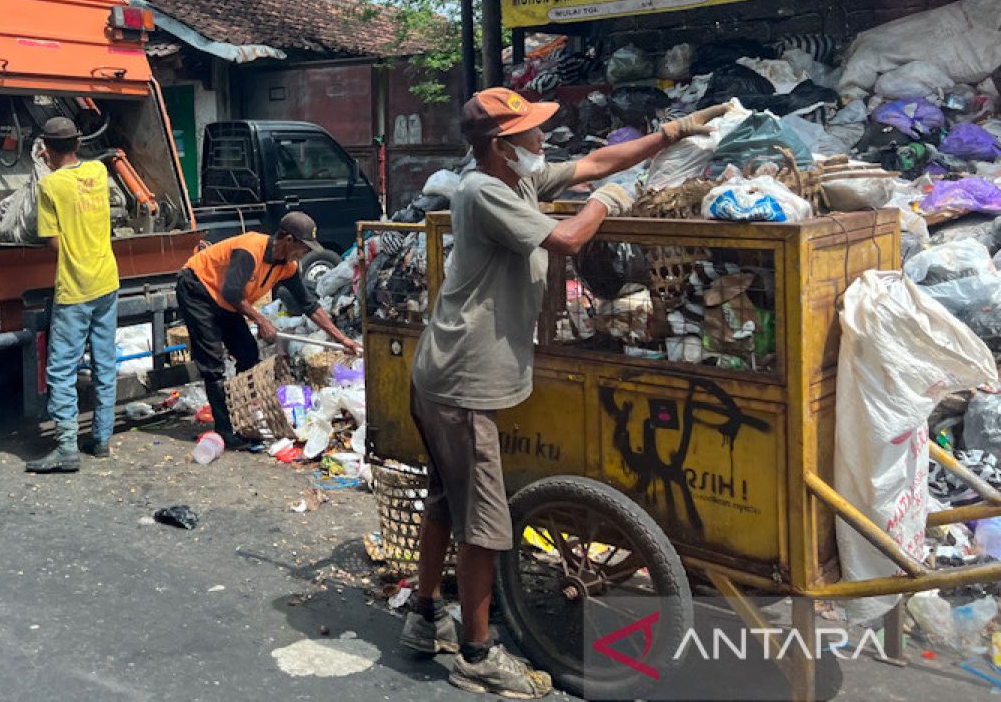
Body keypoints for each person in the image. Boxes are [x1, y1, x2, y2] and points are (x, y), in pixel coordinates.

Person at [400, 88, 730, 698]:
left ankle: (424, 617)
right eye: (532, 133)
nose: (544, 140)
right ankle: (476, 652)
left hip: (443, 372)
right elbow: (571, 239)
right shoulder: (487, 191)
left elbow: (600, 162)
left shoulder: (517, 178)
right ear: (503, 147)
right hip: (463, 383)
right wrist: (607, 203)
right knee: (484, 522)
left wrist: (675, 130)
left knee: (448, 500)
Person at [176, 211, 360, 449]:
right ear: (288, 239)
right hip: (198, 289)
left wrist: (342, 338)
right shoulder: (250, 249)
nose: (304, 254)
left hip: (227, 301)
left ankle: (240, 416)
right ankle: (225, 430)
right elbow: (232, 292)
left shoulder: (288, 267)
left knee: (249, 354)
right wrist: (261, 320)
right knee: (213, 363)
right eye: (303, 248)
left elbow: (309, 305)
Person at [26, 117, 120, 473]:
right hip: (107, 280)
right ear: (78, 145)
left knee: (62, 369)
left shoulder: (50, 186)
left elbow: (51, 240)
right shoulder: (98, 172)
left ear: (46, 150)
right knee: (104, 362)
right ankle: (101, 440)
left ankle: (66, 447)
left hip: (75, 286)